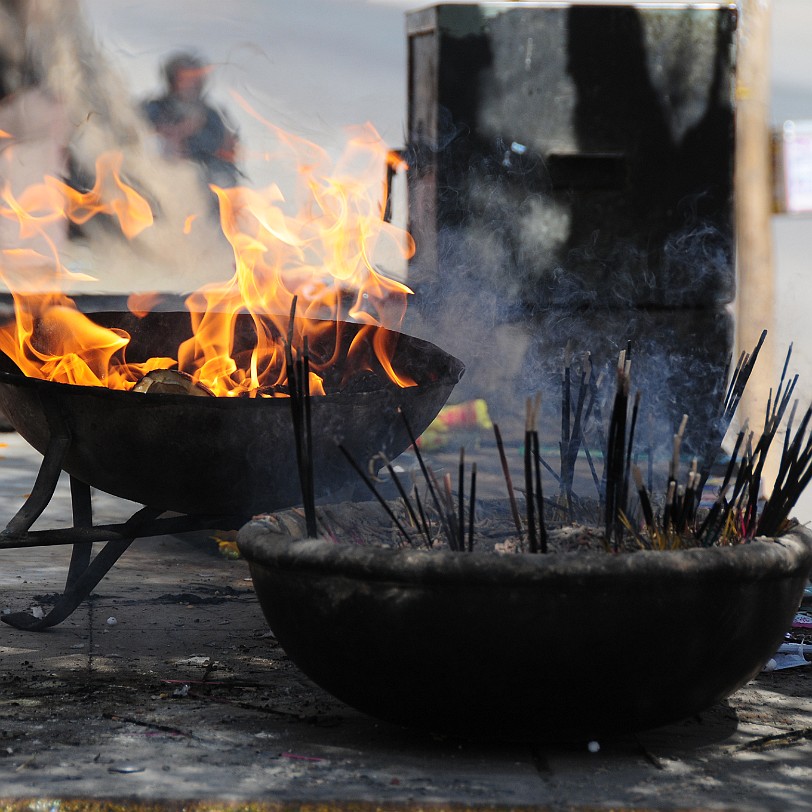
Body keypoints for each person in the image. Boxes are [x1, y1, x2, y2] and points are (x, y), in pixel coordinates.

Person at [143, 51, 240, 189]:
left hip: (201, 188)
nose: (192, 85)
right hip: (156, 183)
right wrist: (174, 133)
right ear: (173, 81)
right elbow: (133, 136)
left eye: (196, 79)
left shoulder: (211, 117)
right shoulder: (153, 110)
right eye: (186, 79)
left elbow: (224, 158)